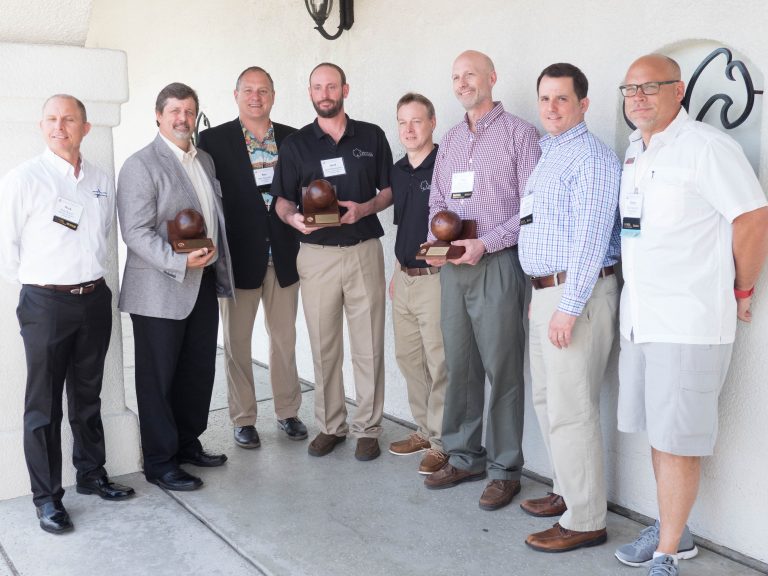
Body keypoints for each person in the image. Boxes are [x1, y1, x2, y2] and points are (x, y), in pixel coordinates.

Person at [614, 54, 768, 576]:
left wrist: (742, 286)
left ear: (678, 91)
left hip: (689, 321)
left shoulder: (706, 148)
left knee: (679, 441)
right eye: (630, 89)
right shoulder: (636, 151)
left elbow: (752, 216)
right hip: (641, 318)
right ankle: (672, 531)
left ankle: (667, 554)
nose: (638, 97)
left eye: (650, 87)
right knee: (661, 435)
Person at [0, 94, 135, 534]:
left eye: (70, 119)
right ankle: (46, 498)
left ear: (85, 127)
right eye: (52, 119)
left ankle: (92, 475)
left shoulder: (99, 178)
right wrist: (34, 293)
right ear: (42, 127)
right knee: (43, 407)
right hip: (46, 303)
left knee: (87, 397)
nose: (61, 126)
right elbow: (6, 248)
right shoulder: (24, 179)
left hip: (92, 298)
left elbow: (100, 238)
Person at [422, 50, 540, 512]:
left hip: (497, 263)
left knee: (503, 368)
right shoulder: (450, 140)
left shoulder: (520, 135)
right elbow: (436, 199)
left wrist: (486, 243)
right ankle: (465, 454)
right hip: (454, 267)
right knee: (461, 364)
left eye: (469, 74)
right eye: (455, 76)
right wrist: (439, 240)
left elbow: (531, 209)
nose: (462, 82)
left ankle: (505, 468)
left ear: (491, 77)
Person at [518, 63, 620, 552]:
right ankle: (566, 490)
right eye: (545, 99)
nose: (551, 108)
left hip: (573, 295)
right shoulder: (547, 154)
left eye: (562, 99)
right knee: (547, 400)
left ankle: (585, 520)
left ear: (583, 103)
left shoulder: (592, 159)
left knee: (573, 408)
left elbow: (592, 238)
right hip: (545, 294)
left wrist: (569, 305)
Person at [117, 82, 234, 492]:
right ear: (158, 115)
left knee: (196, 370)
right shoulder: (140, 165)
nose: (183, 119)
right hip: (159, 288)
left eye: (189, 112)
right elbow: (135, 232)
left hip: (201, 282)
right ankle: (160, 462)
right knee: (158, 378)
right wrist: (178, 260)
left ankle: (187, 443)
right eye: (174, 112)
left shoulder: (204, 160)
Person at [273, 62, 393, 462]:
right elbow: (282, 199)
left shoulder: (371, 137)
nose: (325, 93)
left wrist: (366, 208)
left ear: (345, 89)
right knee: (324, 345)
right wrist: (292, 218)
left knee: (369, 345)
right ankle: (330, 425)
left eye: (331, 86)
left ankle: (368, 428)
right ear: (310, 93)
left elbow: (389, 191)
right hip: (317, 256)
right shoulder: (295, 145)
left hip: (363, 252)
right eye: (317, 87)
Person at [198, 67, 306, 449]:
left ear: (273, 96)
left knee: (284, 341)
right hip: (237, 257)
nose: (256, 96)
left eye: (263, 90)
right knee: (237, 343)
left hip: (285, 255)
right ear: (236, 94)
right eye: (249, 90)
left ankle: (288, 412)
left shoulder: (294, 138)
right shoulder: (212, 140)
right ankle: (243, 419)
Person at [387, 92, 448, 475]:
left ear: (432, 123)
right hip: (403, 277)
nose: (409, 130)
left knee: (439, 361)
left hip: (435, 279)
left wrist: (436, 264)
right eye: (403, 123)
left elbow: (456, 222)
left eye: (417, 121)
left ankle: (442, 443)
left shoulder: (446, 164)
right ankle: (424, 430)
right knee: (409, 359)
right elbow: (404, 226)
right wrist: (396, 272)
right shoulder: (397, 170)